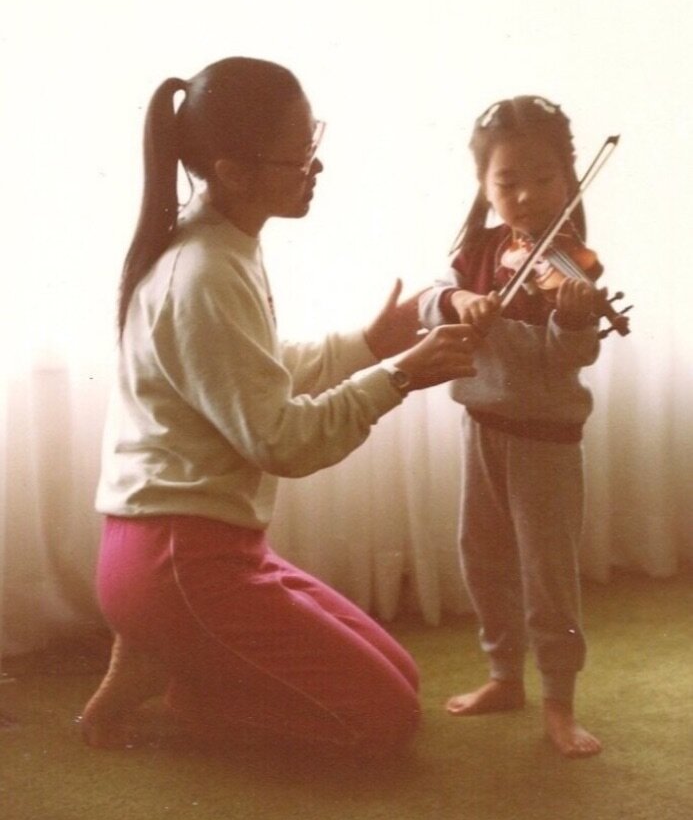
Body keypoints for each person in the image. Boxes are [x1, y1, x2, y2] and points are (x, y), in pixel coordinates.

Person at [80, 56, 477, 759]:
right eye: (299, 156)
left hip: (200, 550)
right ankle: (181, 679)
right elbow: (281, 441)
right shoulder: (203, 271)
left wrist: (367, 345)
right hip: (178, 563)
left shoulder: (223, 246)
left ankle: (170, 654)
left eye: (312, 144)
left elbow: (253, 374)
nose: (313, 168)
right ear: (232, 170)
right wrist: (397, 377)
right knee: (382, 722)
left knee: (402, 676)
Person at [418, 95, 607, 758]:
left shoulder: (572, 265)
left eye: (543, 178)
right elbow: (425, 300)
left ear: (567, 177)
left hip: (544, 442)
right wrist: (459, 298)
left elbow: (567, 356)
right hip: (481, 427)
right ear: (483, 185)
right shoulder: (475, 249)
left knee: (546, 573)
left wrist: (577, 316)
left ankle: (559, 700)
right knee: (482, 558)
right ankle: (504, 675)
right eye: (507, 181)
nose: (526, 196)